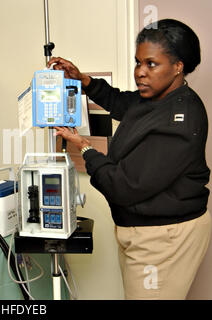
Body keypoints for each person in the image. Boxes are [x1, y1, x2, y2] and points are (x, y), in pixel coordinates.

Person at [49, 19, 211, 300]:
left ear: (178, 66)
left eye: (151, 64)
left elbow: (125, 187)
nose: (140, 73)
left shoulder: (180, 119)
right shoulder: (157, 98)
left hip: (164, 238)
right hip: (142, 230)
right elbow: (124, 103)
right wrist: (83, 80)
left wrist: (85, 148)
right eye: (138, 63)